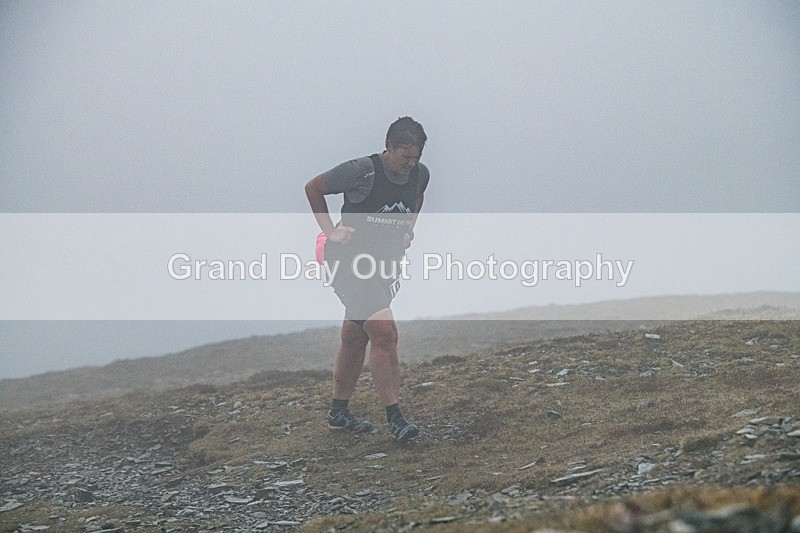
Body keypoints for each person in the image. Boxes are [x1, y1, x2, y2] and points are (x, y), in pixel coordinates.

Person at [304, 117, 429, 442]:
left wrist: (407, 230)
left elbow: (417, 198)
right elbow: (313, 187)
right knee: (384, 333)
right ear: (389, 147)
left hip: (383, 268)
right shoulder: (363, 171)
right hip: (347, 263)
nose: (410, 165)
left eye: (415, 158)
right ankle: (396, 419)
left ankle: (338, 413)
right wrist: (330, 232)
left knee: (355, 336)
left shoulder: (420, 174)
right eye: (405, 158)